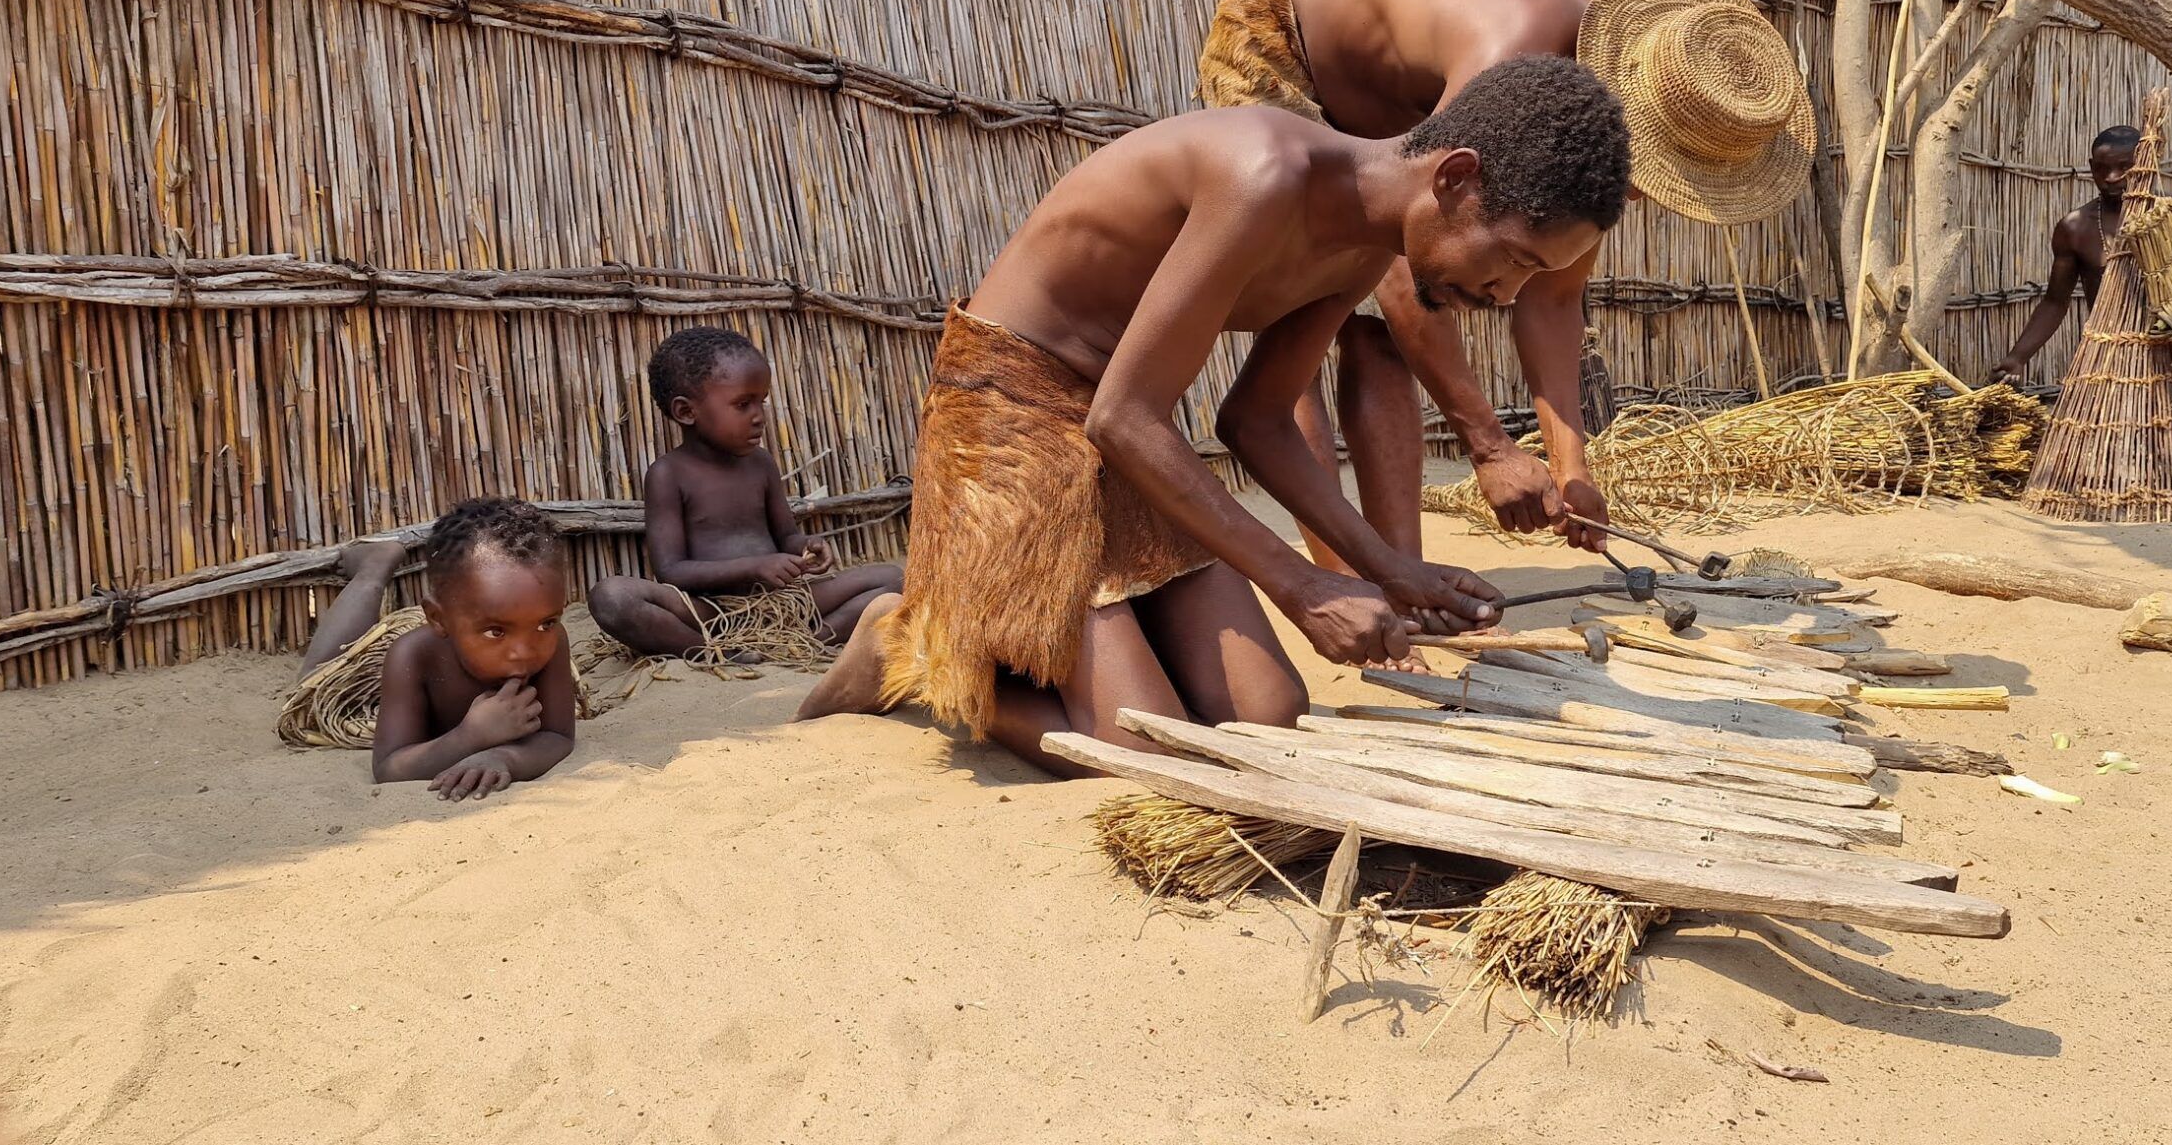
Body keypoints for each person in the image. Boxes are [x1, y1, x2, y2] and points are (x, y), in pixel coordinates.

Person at [797, 54, 1631, 774]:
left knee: (1266, 717)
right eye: (1515, 260)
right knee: (1146, 750)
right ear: (1455, 178)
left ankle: (1077, 641)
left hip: (1126, 432)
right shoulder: (1263, 175)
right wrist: (1301, 585)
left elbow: (1256, 418)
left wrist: (1385, 568)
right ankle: (911, 640)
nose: (1504, 296)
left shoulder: (1369, 240)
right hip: (1010, 415)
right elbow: (1123, 416)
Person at [1197, 0, 1613, 563]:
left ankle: (1400, 574)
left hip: (1395, 112)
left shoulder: (1588, 128)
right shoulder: (1512, 58)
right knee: (1300, 321)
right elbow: (1406, 264)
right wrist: (1491, 447)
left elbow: (1554, 300)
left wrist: (1571, 470)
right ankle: (1343, 582)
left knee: (1379, 339)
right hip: (1287, 42)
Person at [588, 327, 903, 661]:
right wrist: (752, 567)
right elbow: (670, 570)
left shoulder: (761, 464)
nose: (758, 417)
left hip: (785, 602)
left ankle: (805, 641)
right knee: (612, 597)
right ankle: (713, 652)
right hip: (710, 611)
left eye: (761, 402)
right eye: (742, 404)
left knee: (894, 578)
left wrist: (805, 547)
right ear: (685, 412)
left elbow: (785, 535)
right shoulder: (668, 474)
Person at [1989, 125, 2172, 447]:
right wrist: (2017, 357)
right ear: (2091, 167)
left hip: (2171, 354)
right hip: (2109, 357)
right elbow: (2055, 302)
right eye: (2102, 168)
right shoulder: (2076, 228)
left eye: (2124, 167)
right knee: (2085, 439)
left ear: (2146, 164)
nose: (2111, 177)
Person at [321, 497, 581, 799]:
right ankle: (373, 570)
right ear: (438, 619)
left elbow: (558, 736)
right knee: (323, 670)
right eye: (496, 631)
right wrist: (469, 738)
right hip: (359, 676)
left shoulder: (552, 642)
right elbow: (389, 768)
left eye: (545, 624)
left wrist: (504, 757)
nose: (523, 651)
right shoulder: (412, 656)